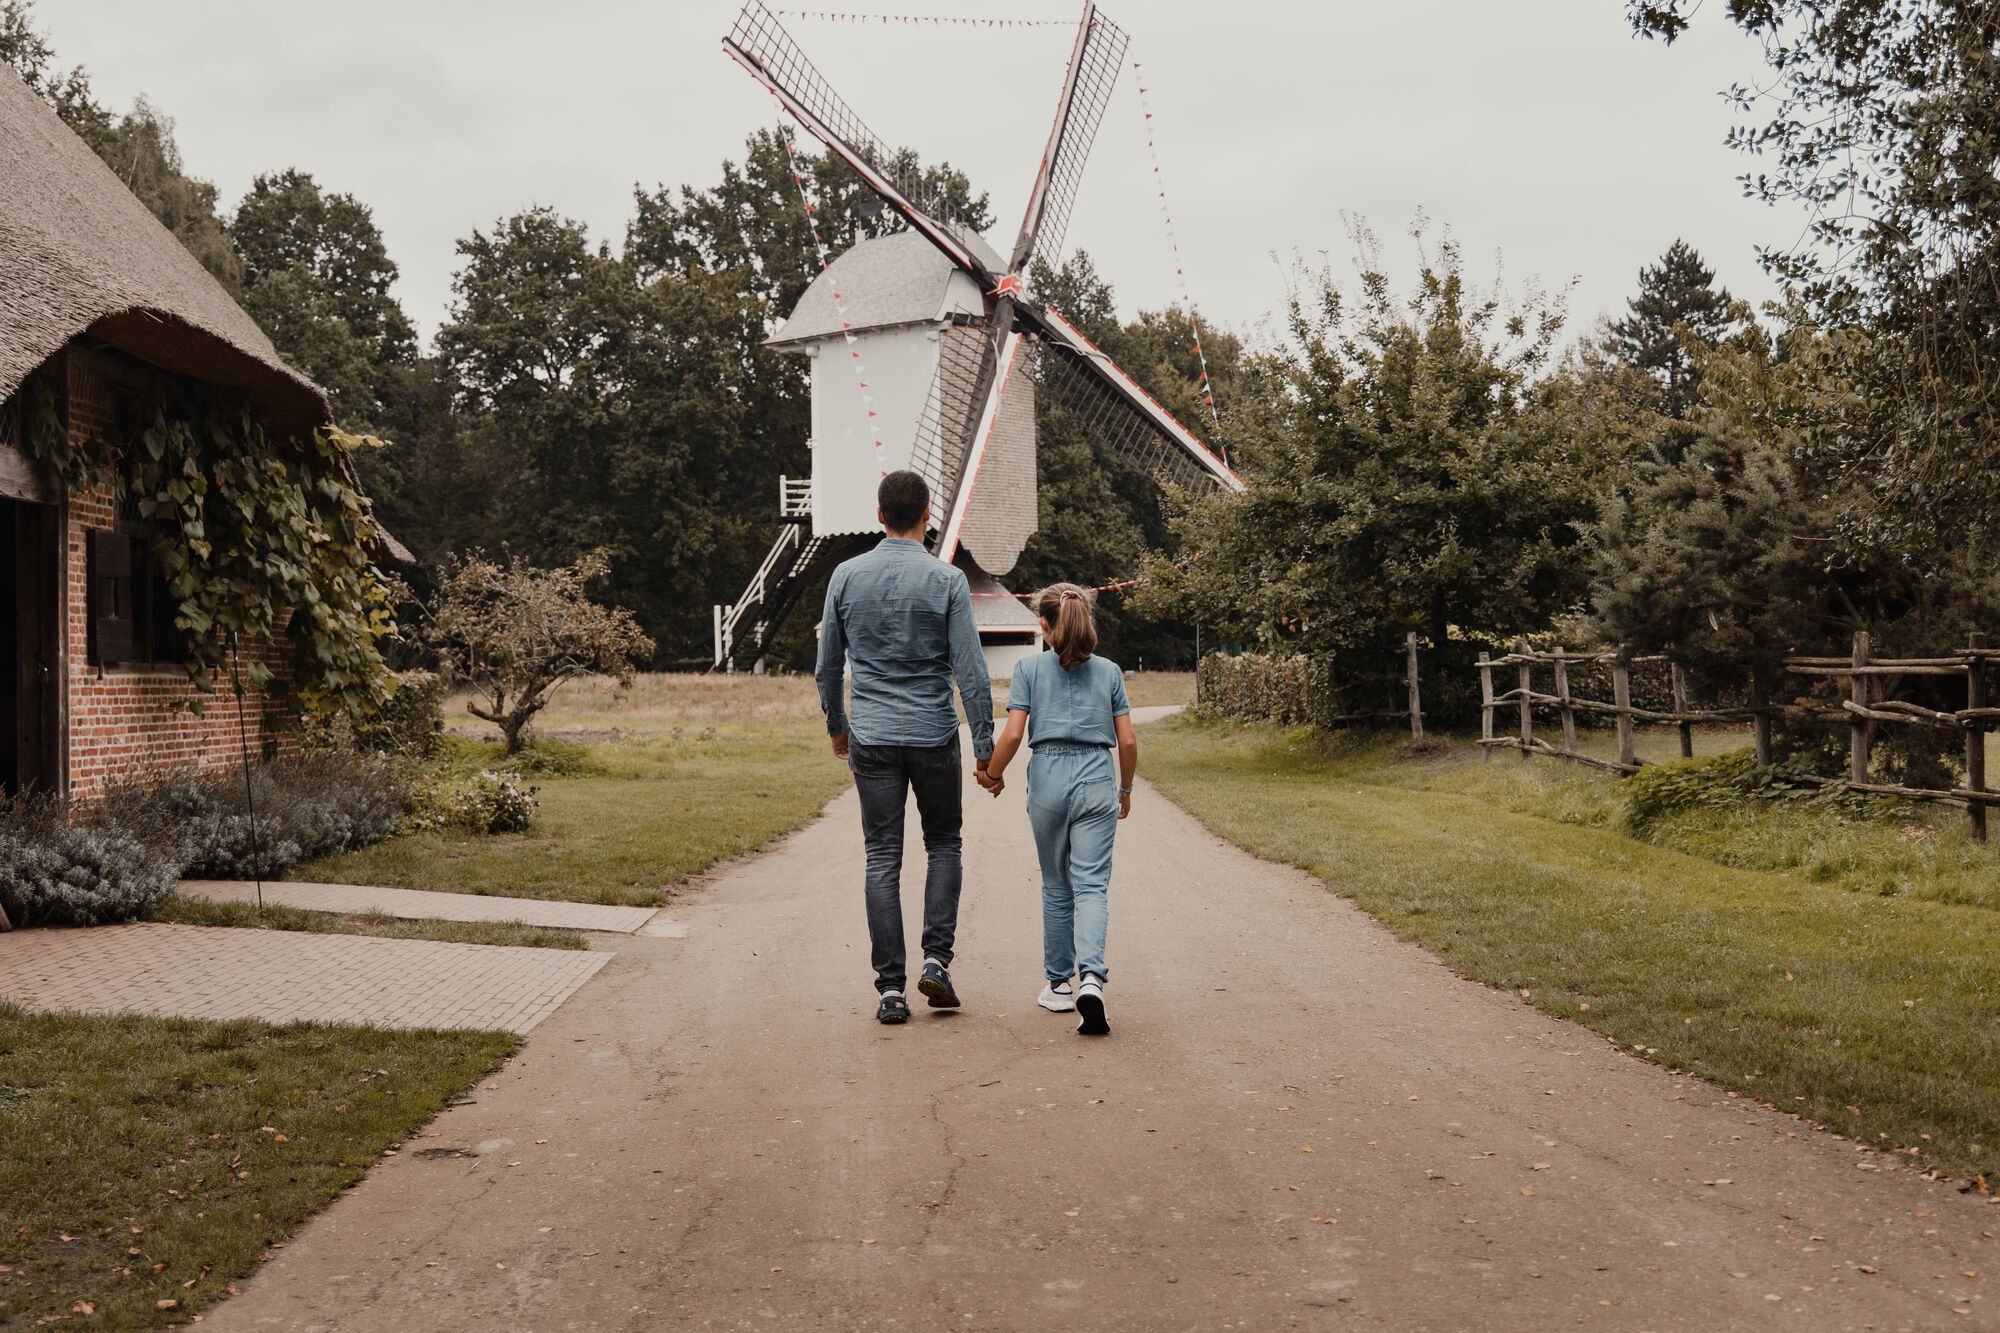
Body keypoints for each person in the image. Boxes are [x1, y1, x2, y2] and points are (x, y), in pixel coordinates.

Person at [815, 470, 996, 1025]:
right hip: (934, 732)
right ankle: (936, 962)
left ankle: (890, 990)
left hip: (871, 734)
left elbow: (827, 667)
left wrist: (837, 725)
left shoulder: (844, 577)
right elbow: (971, 671)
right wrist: (985, 745)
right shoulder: (947, 582)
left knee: (882, 857)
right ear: (927, 517)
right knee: (944, 844)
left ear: (878, 515)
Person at [980, 583, 1137, 1036]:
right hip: (1095, 775)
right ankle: (1092, 978)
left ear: (1044, 625)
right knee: (1091, 886)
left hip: (1048, 774)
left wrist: (992, 774)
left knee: (1055, 884)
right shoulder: (1109, 672)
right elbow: (1126, 740)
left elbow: (1011, 736)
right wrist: (1124, 788)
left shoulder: (1029, 668)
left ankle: (1059, 986)